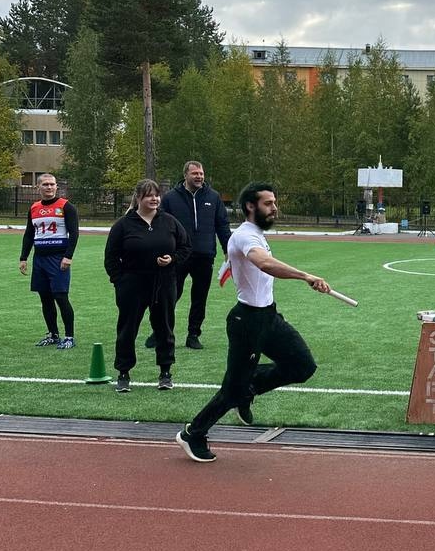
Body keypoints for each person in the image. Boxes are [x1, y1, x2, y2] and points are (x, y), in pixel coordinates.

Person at [177, 181, 332, 463]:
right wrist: (305, 276)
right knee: (231, 389)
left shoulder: (257, 234)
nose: (275, 208)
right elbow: (265, 264)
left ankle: (248, 389)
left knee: (302, 365)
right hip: (246, 321)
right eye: (268, 203)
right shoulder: (244, 236)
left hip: (269, 317)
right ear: (251, 206)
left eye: (274, 203)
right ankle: (193, 433)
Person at [104, 179, 190, 394]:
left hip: (164, 283)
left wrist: (172, 259)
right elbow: (111, 257)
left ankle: (165, 372)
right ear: (138, 198)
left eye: (156, 195)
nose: (154, 199)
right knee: (127, 329)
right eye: (149, 195)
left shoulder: (169, 221)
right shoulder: (123, 225)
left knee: (165, 328)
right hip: (132, 285)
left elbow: (185, 247)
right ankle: (123, 373)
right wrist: (120, 282)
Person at [144, 160, 231, 351]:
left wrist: (228, 249)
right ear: (185, 175)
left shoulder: (213, 197)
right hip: (177, 255)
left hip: (205, 255)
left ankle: (193, 335)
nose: (199, 176)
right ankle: (160, 332)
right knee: (169, 296)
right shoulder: (170, 198)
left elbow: (222, 225)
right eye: (195, 173)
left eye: (201, 173)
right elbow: (160, 225)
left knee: (199, 298)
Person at [18, 174, 79, 350]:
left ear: (56, 186)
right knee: (45, 297)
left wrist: (68, 256)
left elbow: (74, 233)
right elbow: (29, 234)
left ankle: (69, 336)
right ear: (38, 187)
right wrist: (23, 257)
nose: (49, 187)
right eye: (45, 184)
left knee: (61, 296)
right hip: (39, 259)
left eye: (52, 184)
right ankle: (53, 334)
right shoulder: (34, 208)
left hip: (58, 258)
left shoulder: (66, 206)